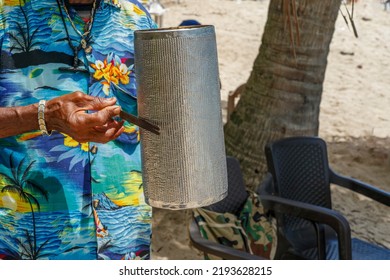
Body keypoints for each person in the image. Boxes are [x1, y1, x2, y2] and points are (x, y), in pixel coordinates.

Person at [0, 0, 156, 260]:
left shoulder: (138, 18)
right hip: (28, 241)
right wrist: (45, 116)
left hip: (125, 239)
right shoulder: (6, 15)